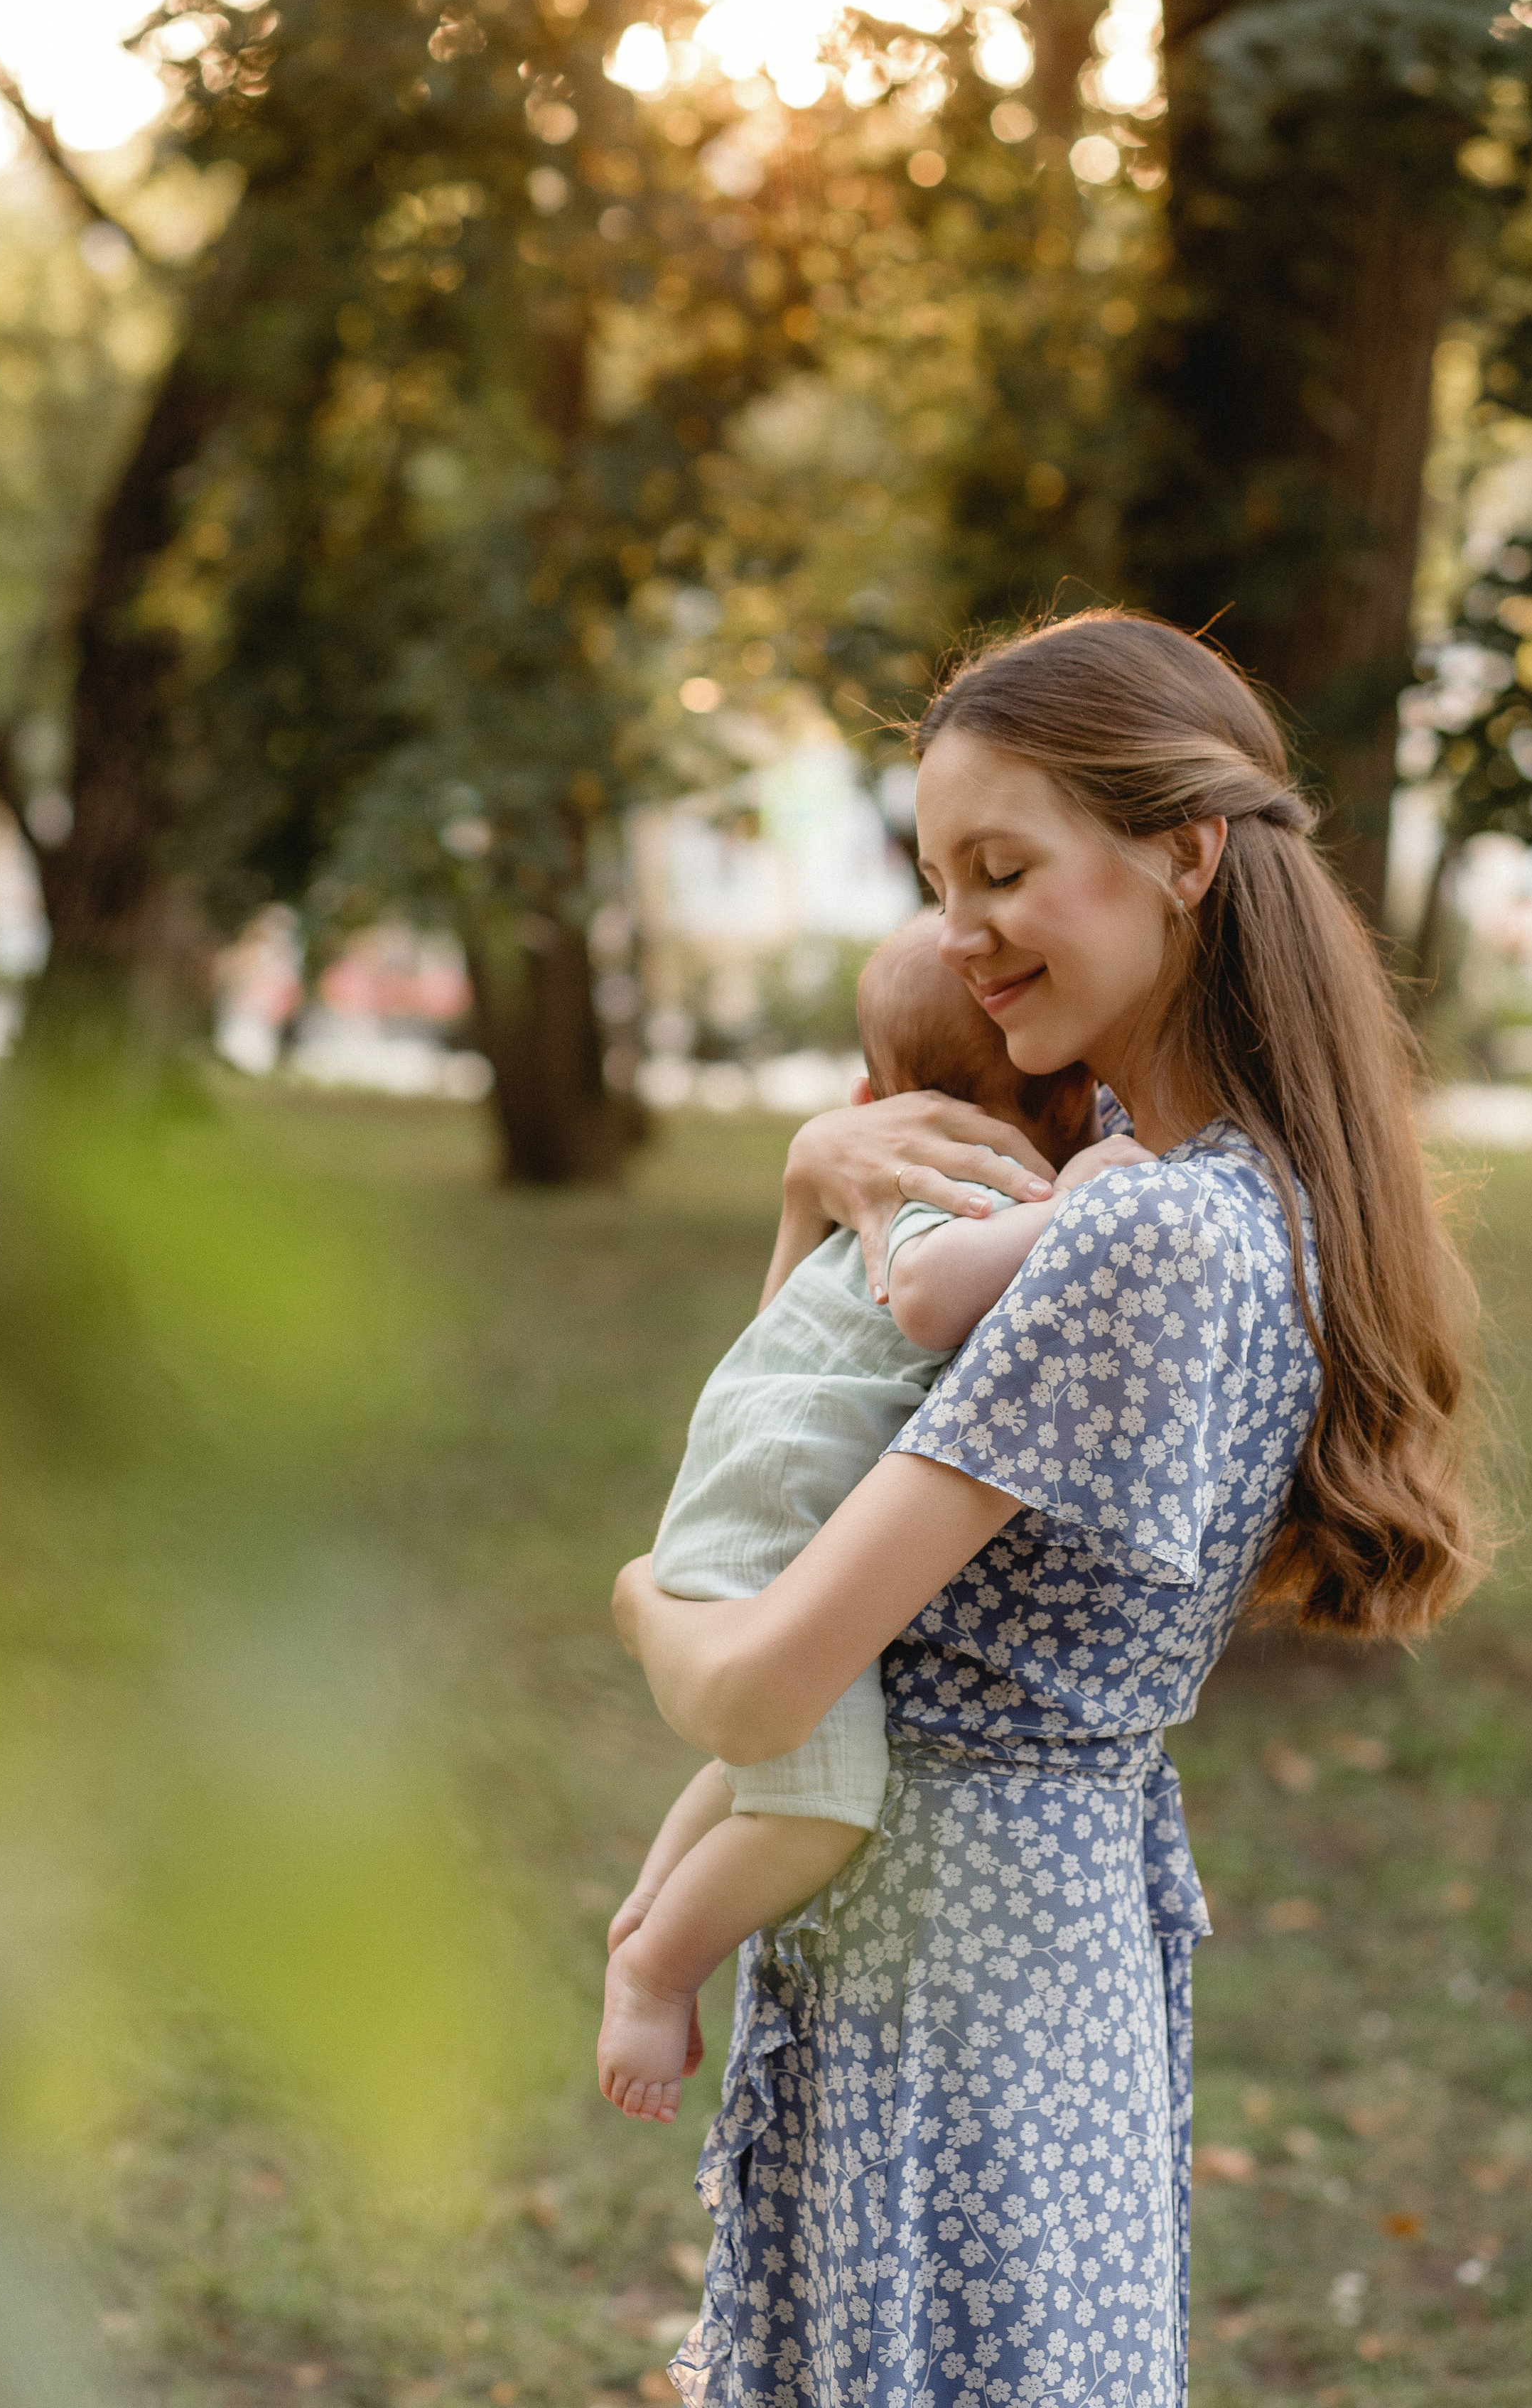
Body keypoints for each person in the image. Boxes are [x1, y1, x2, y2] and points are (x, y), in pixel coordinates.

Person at [611, 613, 1486, 2408]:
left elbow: (761, 1679)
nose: (959, 932)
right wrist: (808, 1189)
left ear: (1182, 853)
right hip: (996, 1943)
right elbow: (802, 1428)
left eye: (1002, 869)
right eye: (938, 881)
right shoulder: (1231, 1201)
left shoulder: (1137, 1233)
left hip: (958, 1973)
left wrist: (634, 1597)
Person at [598, 913, 1153, 2124]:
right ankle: (658, 1966)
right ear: (1063, 1112)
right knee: (818, 1807)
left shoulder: (908, 1173)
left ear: (868, 1088)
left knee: (767, 1761)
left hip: (756, 1508)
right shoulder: (944, 1185)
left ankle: (647, 1907)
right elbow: (927, 1299)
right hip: (771, 1526)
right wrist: (1074, 1205)